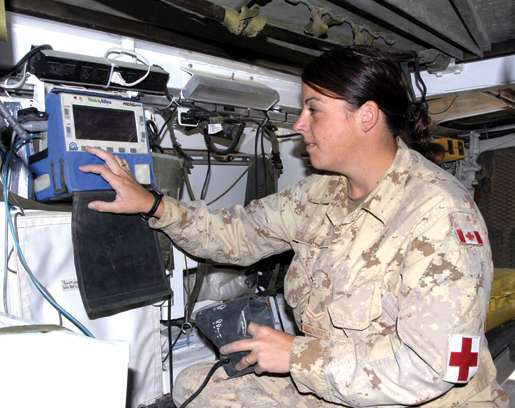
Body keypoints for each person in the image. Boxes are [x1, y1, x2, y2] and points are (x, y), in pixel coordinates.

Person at [80, 46, 508, 407]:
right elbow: (236, 235)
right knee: (196, 386)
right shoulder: (320, 194)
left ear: (366, 116)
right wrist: (152, 205)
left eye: (313, 110)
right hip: (339, 380)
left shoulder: (439, 216)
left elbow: (433, 369)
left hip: (417, 397)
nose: (299, 124)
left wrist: (296, 356)